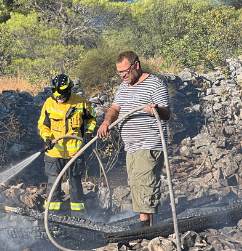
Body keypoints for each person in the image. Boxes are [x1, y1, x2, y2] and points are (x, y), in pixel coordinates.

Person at [96, 50, 171, 225]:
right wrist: (106, 122)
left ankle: (145, 230)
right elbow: (115, 109)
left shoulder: (155, 85)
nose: (122, 76)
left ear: (136, 65)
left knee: (145, 185)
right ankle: (147, 229)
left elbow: (166, 113)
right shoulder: (124, 87)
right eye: (119, 72)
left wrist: (155, 111)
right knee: (137, 185)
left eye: (125, 71)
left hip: (149, 144)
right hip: (131, 147)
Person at [37, 73, 97, 213]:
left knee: (75, 184)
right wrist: (47, 138)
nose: (59, 99)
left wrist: (88, 133)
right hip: (54, 152)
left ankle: (78, 217)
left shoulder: (80, 102)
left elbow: (92, 119)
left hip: (74, 153)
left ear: (69, 91)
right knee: (53, 184)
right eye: (56, 96)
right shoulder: (49, 104)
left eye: (62, 96)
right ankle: (52, 216)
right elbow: (43, 125)